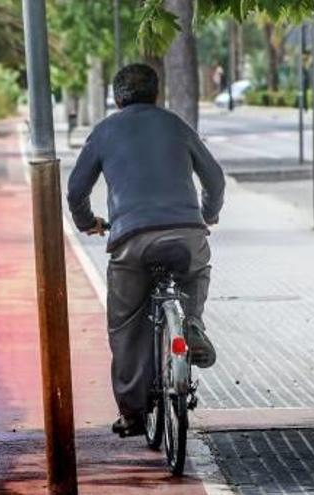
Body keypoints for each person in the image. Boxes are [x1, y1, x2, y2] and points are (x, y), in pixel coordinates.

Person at [66, 63, 226, 437]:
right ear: (156, 94)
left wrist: (87, 222)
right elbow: (214, 177)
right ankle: (193, 323)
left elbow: (75, 191)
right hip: (187, 234)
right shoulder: (175, 125)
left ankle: (133, 415)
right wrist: (207, 215)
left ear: (117, 97)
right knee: (197, 269)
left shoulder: (105, 132)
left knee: (124, 325)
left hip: (131, 240)